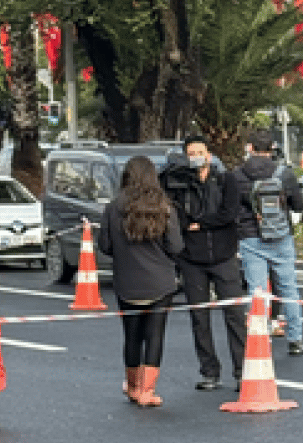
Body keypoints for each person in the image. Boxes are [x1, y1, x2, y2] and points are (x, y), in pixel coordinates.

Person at [161, 135, 247, 392]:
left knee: (234, 315)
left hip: (224, 255)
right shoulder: (179, 183)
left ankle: (242, 370)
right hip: (192, 258)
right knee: (199, 317)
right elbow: (178, 216)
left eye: (201, 151)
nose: (197, 156)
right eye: (192, 152)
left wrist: (203, 223)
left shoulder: (226, 179)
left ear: (209, 154)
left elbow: (229, 213)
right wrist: (192, 225)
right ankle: (210, 371)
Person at [99, 156, 185, 407]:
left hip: (127, 281)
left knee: (132, 335)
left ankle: (133, 386)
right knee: (155, 335)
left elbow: (105, 246)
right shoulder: (164, 207)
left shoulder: (114, 207)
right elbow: (176, 246)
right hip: (161, 282)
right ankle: (148, 391)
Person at [235, 128, 303, 356]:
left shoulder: (238, 174)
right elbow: (299, 205)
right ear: (272, 148)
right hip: (280, 237)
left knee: (257, 292)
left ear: (250, 148)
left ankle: (260, 336)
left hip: (250, 238)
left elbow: (232, 207)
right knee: (289, 289)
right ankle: (295, 338)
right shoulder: (284, 173)